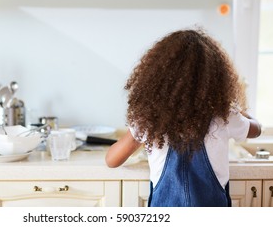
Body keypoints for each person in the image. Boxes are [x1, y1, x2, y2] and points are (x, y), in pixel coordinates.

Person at [105, 28, 261, 207]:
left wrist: (138, 134)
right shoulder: (224, 115)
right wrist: (236, 108)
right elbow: (256, 130)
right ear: (215, 78)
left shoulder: (148, 118)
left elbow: (112, 160)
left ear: (157, 76)